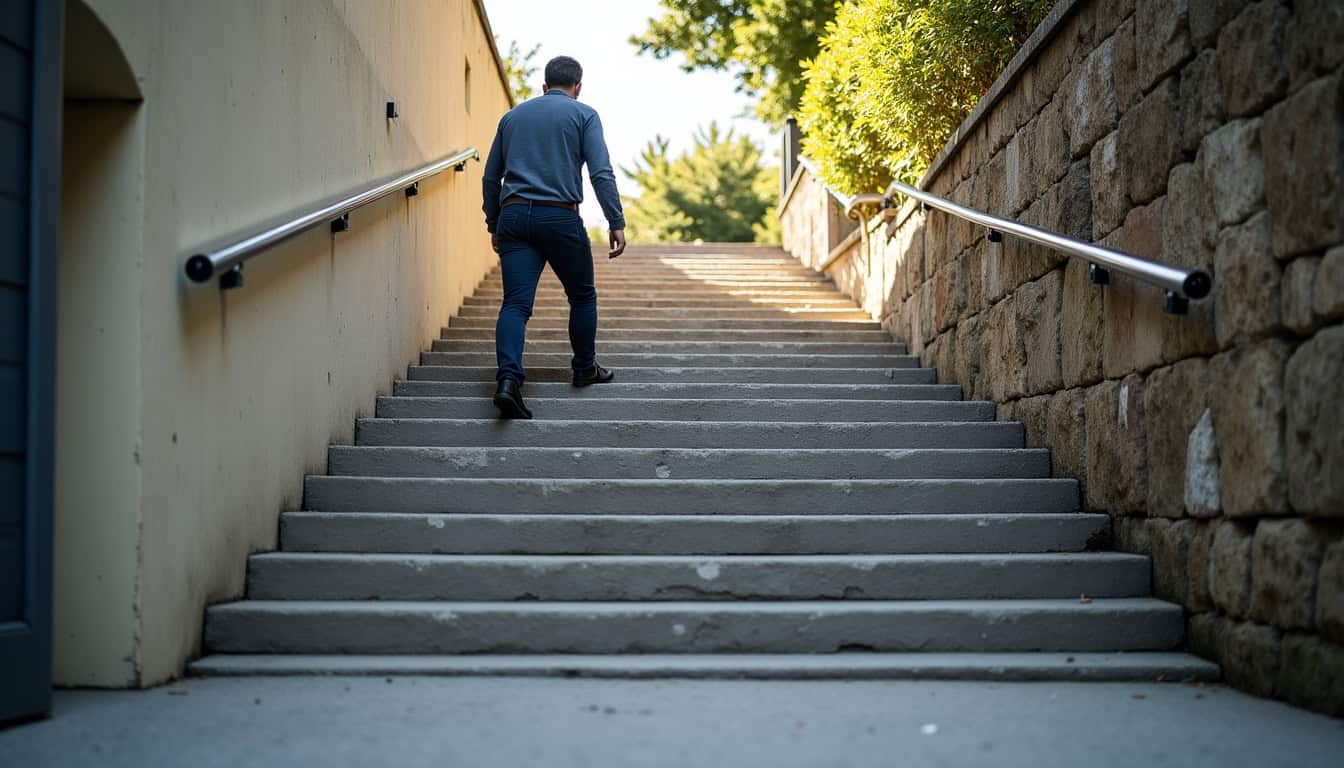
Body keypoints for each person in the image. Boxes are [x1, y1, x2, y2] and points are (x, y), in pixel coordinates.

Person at [481, 55, 626, 420]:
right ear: (578, 87)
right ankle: (584, 368)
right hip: (559, 215)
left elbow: (489, 177)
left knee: (515, 304)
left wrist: (493, 223)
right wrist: (615, 220)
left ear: (544, 87)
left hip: (514, 215)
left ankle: (509, 382)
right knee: (581, 295)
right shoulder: (584, 114)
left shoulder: (512, 117)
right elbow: (601, 172)